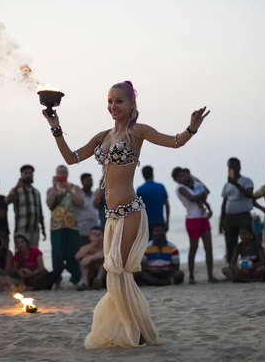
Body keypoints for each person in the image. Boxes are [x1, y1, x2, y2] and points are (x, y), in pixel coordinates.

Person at [42, 80, 208, 348]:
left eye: (119, 100)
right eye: (109, 101)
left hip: (131, 212)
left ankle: (136, 330)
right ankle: (136, 329)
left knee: (117, 270)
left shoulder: (138, 132)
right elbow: (72, 158)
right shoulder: (103, 136)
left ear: (131, 104)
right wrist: (55, 127)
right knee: (116, 274)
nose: (113, 105)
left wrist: (192, 128)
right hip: (111, 217)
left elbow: (175, 142)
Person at [172, 167, 216, 284]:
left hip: (202, 217)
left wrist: (196, 180)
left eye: (184, 175)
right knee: (194, 247)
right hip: (192, 219)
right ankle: (191, 276)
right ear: (176, 179)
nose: (184, 177)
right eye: (180, 176)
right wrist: (202, 193)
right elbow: (194, 198)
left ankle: (210, 275)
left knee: (209, 247)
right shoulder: (180, 188)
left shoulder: (192, 186)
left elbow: (203, 195)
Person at [46, 165, 84, 286]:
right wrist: (54, 187)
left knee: (73, 252)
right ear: (56, 174)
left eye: (64, 172)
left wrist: (68, 190)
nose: (62, 174)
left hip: (72, 226)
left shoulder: (75, 188)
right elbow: (49, 204)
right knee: (57, 253)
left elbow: (80, 203)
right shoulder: (51, 190)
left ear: (67, 174)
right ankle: (57, 277)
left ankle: (75, 278)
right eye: (59, 172)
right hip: (56, 227)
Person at [220, 157, 254, 263]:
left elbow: (248, 194)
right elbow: (224, 202)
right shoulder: (227, 184)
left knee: (247, 241)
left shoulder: (246, 181)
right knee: (230, 243)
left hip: (243, 216)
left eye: (234, 166)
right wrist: (222, 220)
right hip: (230, 217)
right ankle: (231, 266)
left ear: (239, 167)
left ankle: (250, 263)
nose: (232, 169)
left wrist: (235, 183)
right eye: (230, 167)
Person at [6, 165, 46, 247]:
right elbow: (7, 201)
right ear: (21, 175)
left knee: (33, 254)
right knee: (21, 254)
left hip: (34, 229)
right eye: (26, 173)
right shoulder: (16, 190)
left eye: (30, 173)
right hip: (21, 228)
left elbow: (40, 212)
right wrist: (17, 187)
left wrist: (43, 229)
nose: (28, 175)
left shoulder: (36, 192)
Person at [136, 166, 170, 239]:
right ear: (152, 174)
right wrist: (167, 222)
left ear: (143, 175)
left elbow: (138, 210)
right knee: (162, 247)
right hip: (160, 223)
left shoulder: (140, 190)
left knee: (148, 248)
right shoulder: (160, 187)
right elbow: (167, 205)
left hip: (147, 224)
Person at [77, 173, 100, 246]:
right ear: (82, 182)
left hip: (95, 229)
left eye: (91, 180)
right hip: (82, 230)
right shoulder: (78, 195)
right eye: (88, 181)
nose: (90, 182)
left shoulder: (95, 195)